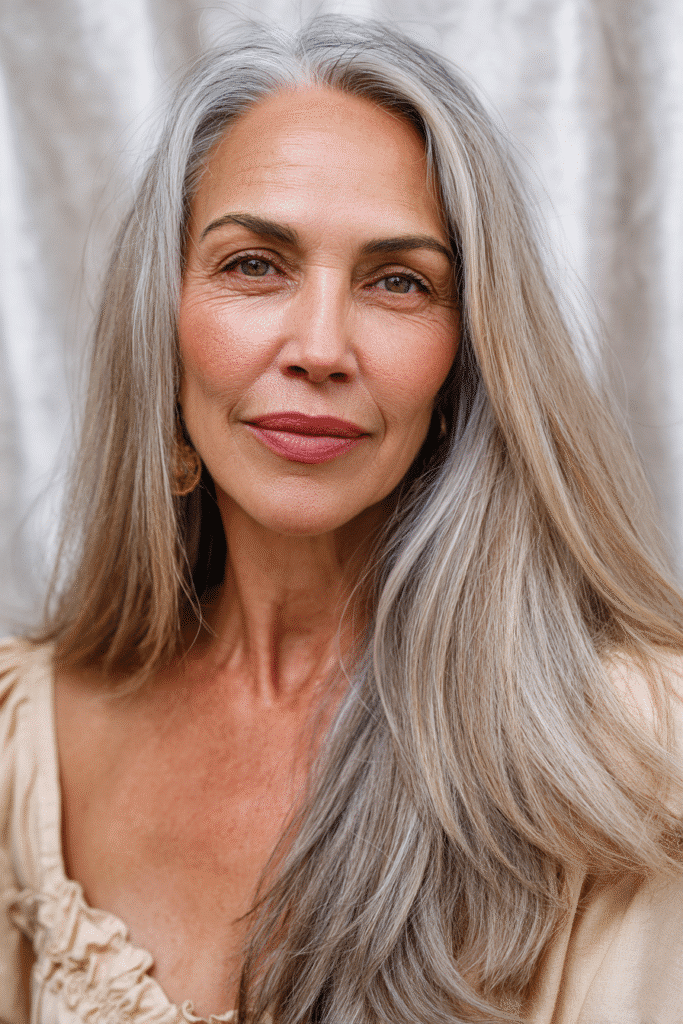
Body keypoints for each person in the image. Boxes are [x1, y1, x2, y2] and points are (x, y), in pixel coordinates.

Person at [1, 13, 683, 1024]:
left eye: (397, 281)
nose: (320, 346)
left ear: (466, 360)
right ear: (163, 323)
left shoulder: (625, 753)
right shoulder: (30, 737)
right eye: (253, 264)